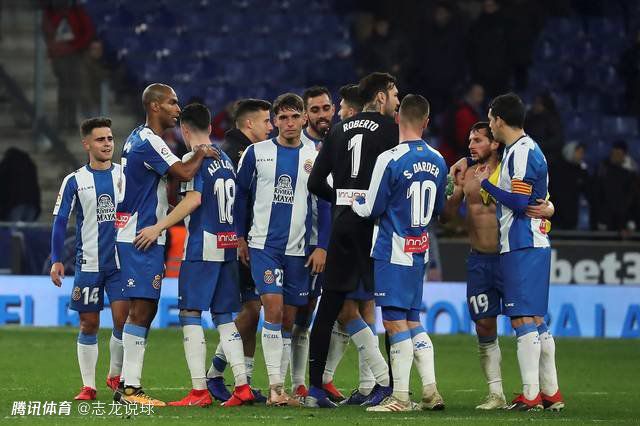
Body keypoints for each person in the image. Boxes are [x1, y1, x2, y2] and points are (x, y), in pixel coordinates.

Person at [132, 103, 254, 407]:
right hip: (227, 242)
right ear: (210, 128)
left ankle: (199, 391)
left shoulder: (192, 159)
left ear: (184, 130)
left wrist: (158, 226)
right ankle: (242, 386)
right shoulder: (224, 158)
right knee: (225, 317)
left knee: (190, 313)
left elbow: (195, 201)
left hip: (203, 245)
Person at [114, 83, 217, 406]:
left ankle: (127, 384)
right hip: (141, 235)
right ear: (155, 106)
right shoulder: (149, 141)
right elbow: (184, 170)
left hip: (142, 232)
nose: (178, 108)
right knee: (142, 308)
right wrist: (201, 151)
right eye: (173, 103)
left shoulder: (138, 137)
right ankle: (130, 388)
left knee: (145, 306)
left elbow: (163, 184)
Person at [443, 122, 555, 410]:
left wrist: (549, 208)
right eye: (469, 140)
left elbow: (537, 196)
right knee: (483, 323)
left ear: (494, 143)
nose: (471, 145)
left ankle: (542, 391)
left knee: (530, 320)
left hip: (509, 256)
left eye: (478, 140)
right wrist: (453, 189)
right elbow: (446, 215)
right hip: (479, 260)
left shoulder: (509, 165)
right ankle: (496, 393)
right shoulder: (464, 172)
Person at [306, 72, 399, 408]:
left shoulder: (338, 130)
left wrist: (342, 199)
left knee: (329, 306)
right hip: (374, 225)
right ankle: (393, 388)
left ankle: (315, 389)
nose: (397, 100)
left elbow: (315, 183)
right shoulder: (392, 129)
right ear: (380, 98)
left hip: (343, 223)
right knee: (390, 306)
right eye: (394, 94)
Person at [352, 94, 446, 412]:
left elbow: (370, 208)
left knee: (393, 322)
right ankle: (431, 391)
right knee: (412, 319)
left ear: (397, 118)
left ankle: (401, 397)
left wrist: (351, 198)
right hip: (419, 249)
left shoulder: (389, 158)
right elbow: (439, 210)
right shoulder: (438, 159)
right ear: (426, 121)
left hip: (392, 248)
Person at [234, 93, 329, 406]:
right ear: (274, 121)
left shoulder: (315, 157)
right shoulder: (255, 153)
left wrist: (322, 247)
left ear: (304, 119)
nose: (289, 123)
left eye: (294, 117)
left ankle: (284, 388)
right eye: (283, 118)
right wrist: (241, 238)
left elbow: (323, 206)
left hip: (298, 250)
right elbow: (242, 198)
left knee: (289, 320)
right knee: (272, 311)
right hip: (264, 246)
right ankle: (276, 388)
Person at [477, 93, 564, 411]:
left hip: (522, 244)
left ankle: (530, 395)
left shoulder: (523, 152)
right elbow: (536, 200)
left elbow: (520, 202)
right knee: (536, 319)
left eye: (490, 119)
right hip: (529, 243)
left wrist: (487, 185)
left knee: (522, 318)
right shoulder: (522, 150)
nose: (489, 124)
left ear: (499, 120)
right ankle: (550, 393)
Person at [49, 117, 129, 400]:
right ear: (87, 144)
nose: (107, 144)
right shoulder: (74, 181)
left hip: (121, 263)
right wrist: (56, 259)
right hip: (89, 262)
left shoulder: (125, 174)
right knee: (89, 324)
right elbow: (60, 220)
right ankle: (88, 386)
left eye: (109, 138)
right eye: (100, 139)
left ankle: (115, 375)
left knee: (124, 320)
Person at [207, 98, 273, 404]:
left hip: (238, 241)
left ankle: (242, 382)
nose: (270, 127)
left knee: (253, 308)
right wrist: (240, 238)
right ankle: (215, 374)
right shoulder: (243, 154)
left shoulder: (229, 151)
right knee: (251, 309)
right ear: (249, 124)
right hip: (239, 244)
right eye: (266, 121)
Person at [287, 86, 335, 400]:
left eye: (325, 109)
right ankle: (229, 372)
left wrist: (324, 245)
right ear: (306, 115)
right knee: (278, 313)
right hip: (295, 245)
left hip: (322, 243)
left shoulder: (337, 143)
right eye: (314, 110)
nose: (321, 115)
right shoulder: (298, 148)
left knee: (305, 316)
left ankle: (299, 383)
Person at [42, 0, 94, 130]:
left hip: (75, 54)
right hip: (58, 54)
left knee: (73, 86)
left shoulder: (77, 10)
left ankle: (70, 120)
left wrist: (75, 46)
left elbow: (88, 31)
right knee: (64, 85)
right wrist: (55, 49)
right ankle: (62, 120)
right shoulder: (50, 10)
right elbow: (47, 32)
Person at [0, 148, 41, 221]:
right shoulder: (30, 166)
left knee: (13, 230)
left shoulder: (7, 165)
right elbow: (36, 189)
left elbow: (4, 188)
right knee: (27, 230)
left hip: (14, 204)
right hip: (32, 205)